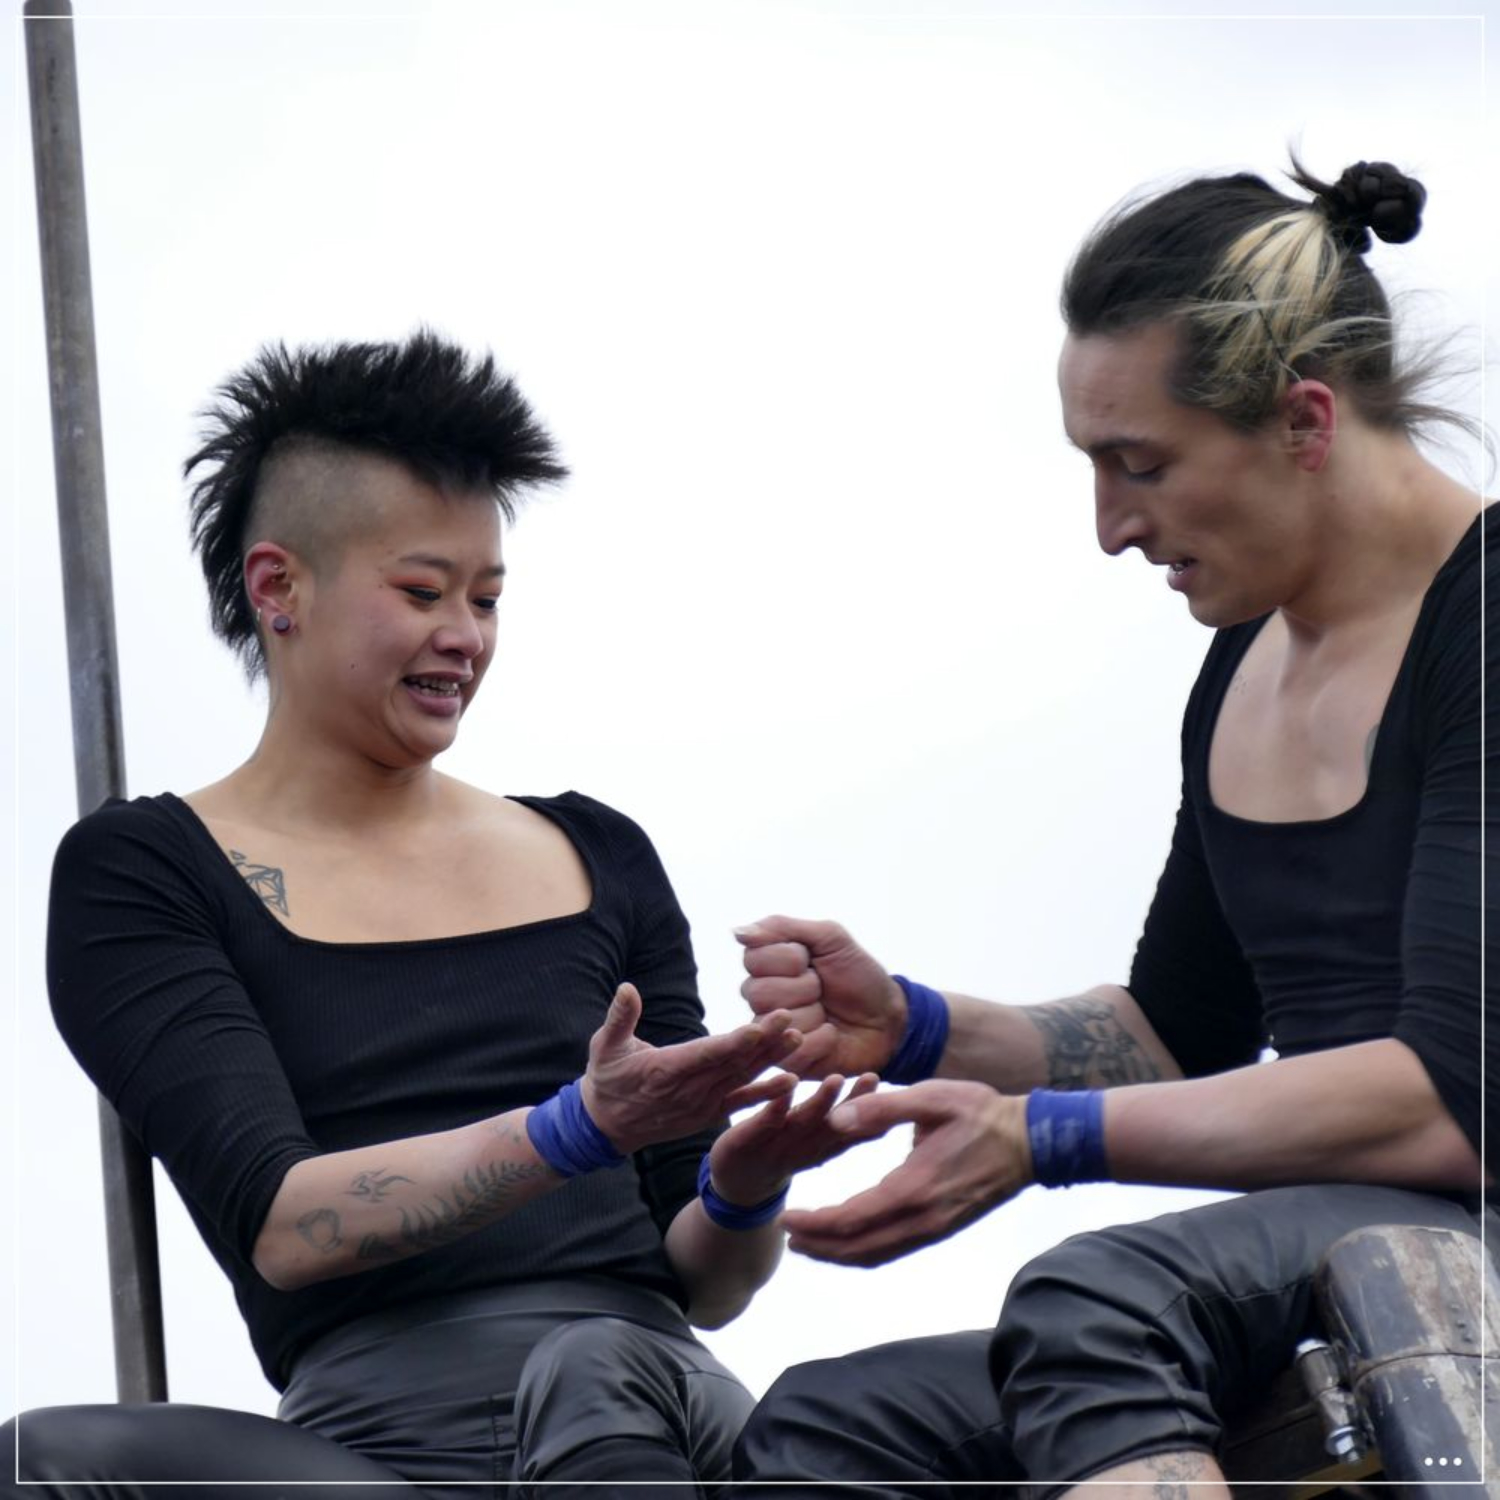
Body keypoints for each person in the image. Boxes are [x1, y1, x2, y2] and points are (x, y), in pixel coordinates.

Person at [729, 156, 1495, 1499]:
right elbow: (1180, 1036)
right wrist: (916, 1026)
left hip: (1461, 1237)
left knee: (1098, 1301)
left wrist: (1045, 1138)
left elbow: (1456, 1101)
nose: (1111, 528)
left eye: (1140, 465)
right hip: (1324, 1251)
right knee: (833, 1426)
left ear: (1305, 421)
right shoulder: (1242, 662)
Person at [5, 331, 874, 1500]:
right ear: (278, 588)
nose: (465, 634)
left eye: (487, 597)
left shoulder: (598, 855)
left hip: (643, 1406)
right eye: (422, 592)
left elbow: (705, 1284)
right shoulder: (148, 872)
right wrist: (575, 1131)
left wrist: (747, 1182)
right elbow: (284, 1225)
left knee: (607, 1369)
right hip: (375, 1455)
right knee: (39, 1461)